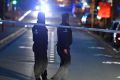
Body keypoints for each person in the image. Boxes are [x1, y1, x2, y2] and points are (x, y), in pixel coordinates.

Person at [50, 13, 72, 80]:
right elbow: (63, 38)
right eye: (68, 17)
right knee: (67, 61)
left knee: (63, 62)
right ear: (66, 18)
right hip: (63, 48)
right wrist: (65, 48)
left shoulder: (63, 26)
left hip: (63, 47)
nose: (68, 19)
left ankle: (61, 77)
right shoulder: (64, 26)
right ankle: (57, 77)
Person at [32, 12, 48, 80]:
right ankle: (37, 76)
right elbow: (35, 37)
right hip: (38, 46)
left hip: (43, 47)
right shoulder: (36, 27)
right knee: (38, 62)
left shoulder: (43, 27)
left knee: (44, 62)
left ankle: (44, 75)